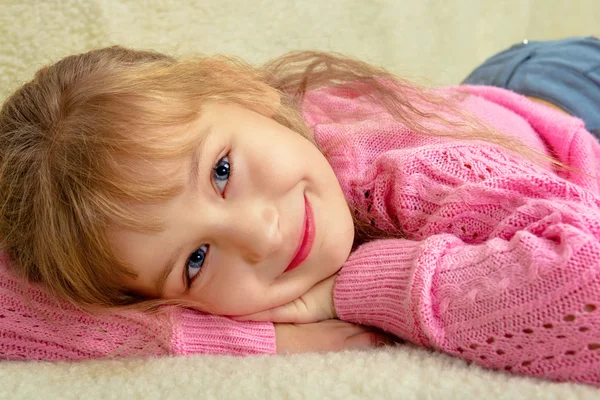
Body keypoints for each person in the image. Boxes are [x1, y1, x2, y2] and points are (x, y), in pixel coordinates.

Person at [0, 38, 599, 386]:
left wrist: (356, 288)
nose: (262, 235)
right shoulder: (253, 155)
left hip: (572, 88)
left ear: (246, 94)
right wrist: (233, 341)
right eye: (197, 259)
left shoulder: (403, 168)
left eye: (222, 172)